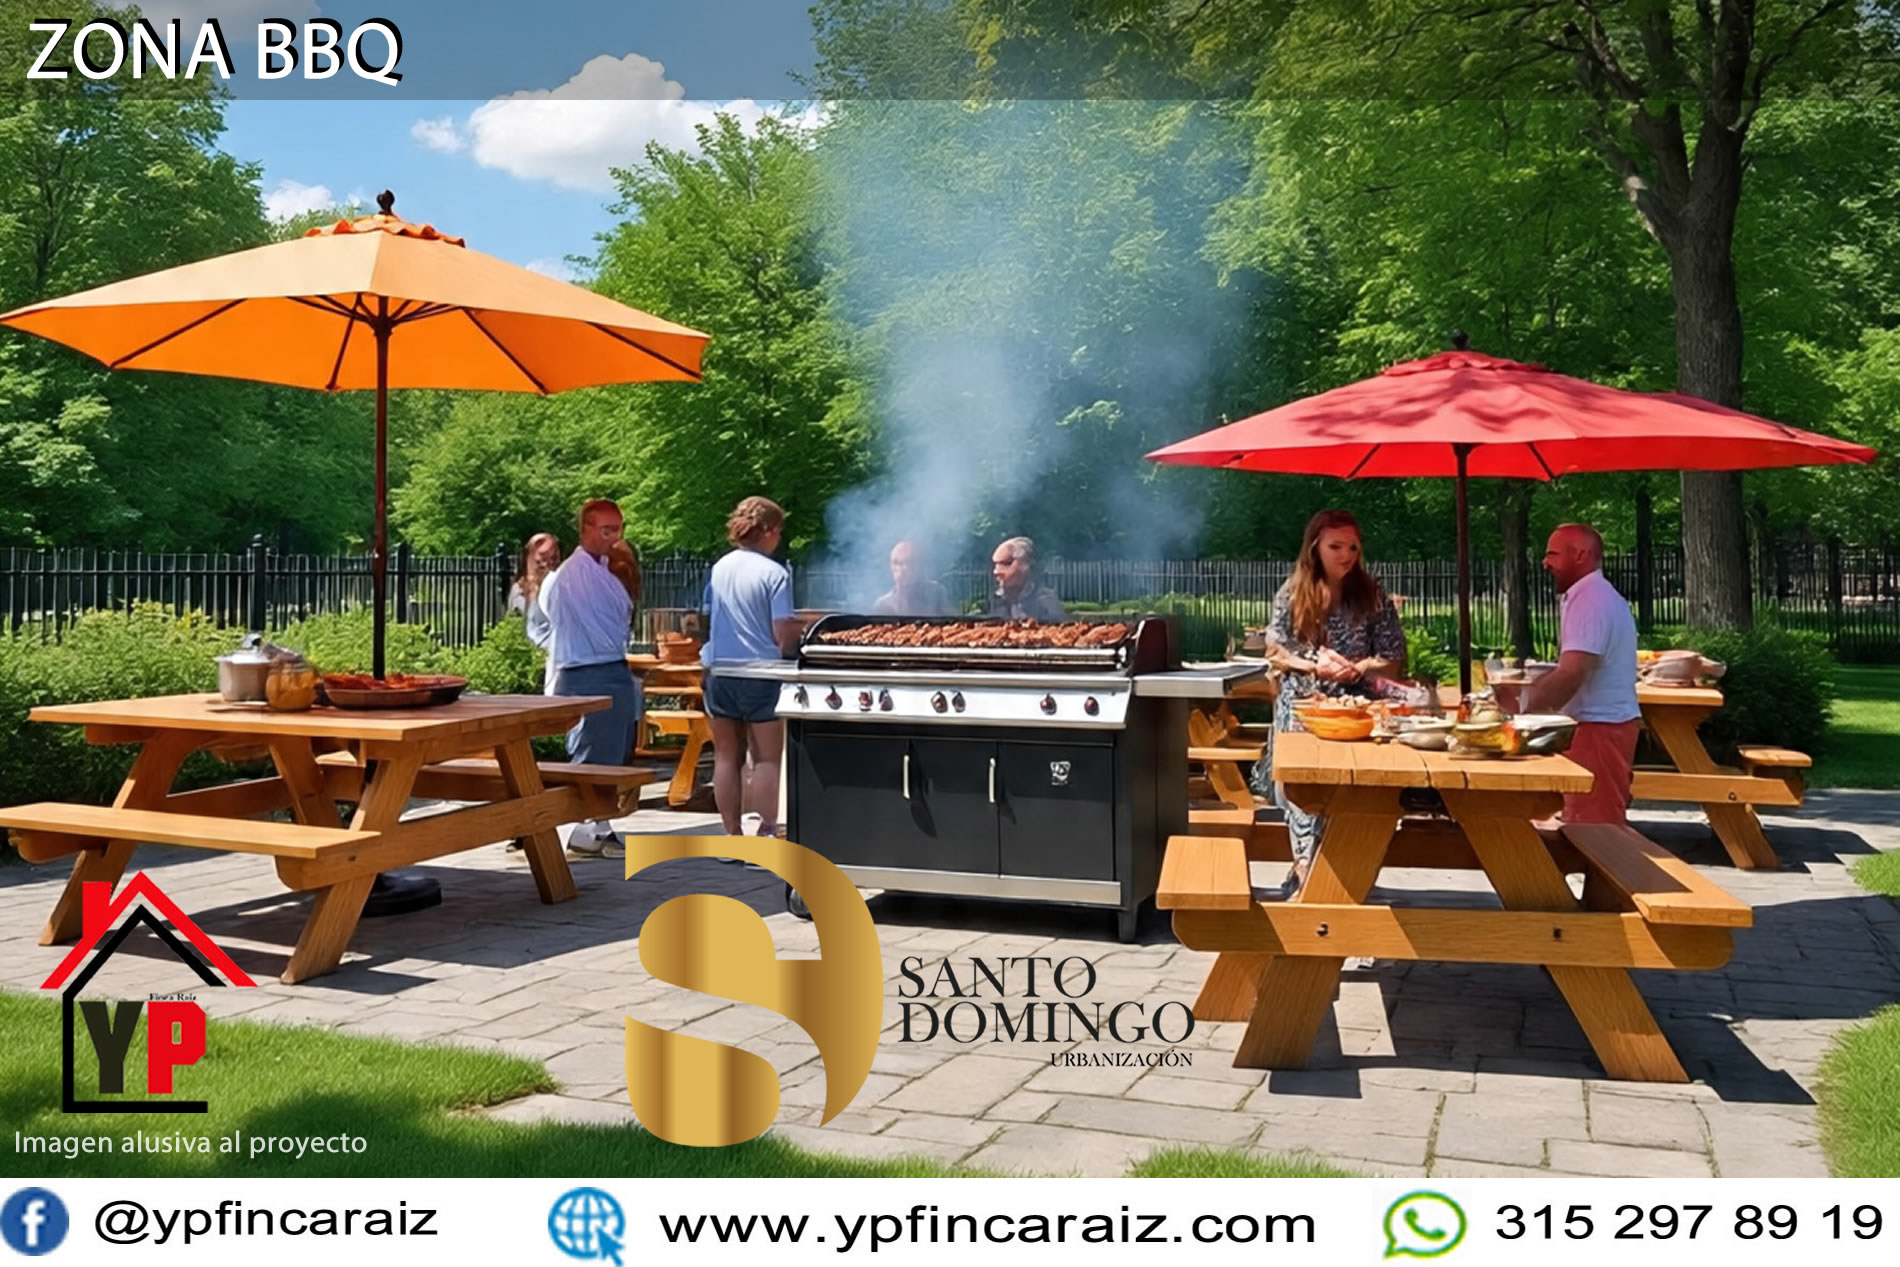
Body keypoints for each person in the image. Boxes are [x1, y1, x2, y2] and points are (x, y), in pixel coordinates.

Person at [1259, 509, 1406, 897]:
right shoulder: (1293, 594)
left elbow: (1393, 657)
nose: (1346, 555)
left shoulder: (1373, 595)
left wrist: (1359, 667)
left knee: (1351, 793)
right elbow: (1275, 650)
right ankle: (1307, 874)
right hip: (1303, 709)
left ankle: (1340, 877)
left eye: (1353, 547)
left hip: (1356, 713)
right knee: (1302, 792)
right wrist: (1313, 664)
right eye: (1336, 546)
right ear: (1315, 548)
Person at [1516, 523, 1642, 827]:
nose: (1545, 562)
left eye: (1553, 554)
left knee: (1595, 831)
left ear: (1581, 555)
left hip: (1599, 727)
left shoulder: (1591, 600)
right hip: (1598, 725)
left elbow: (1572, 673)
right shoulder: (1589, 595)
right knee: (1581, 825)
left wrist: (1521, 708)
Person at [537, 499, 643, 858]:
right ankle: (581, 827)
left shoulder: (601, 569)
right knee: (593, 754)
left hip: (608, 667)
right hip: (587, 671)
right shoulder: (574, 574)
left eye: (618, 529)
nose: (614, 537)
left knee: (611, 753)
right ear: (585, 529)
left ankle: (598, 824)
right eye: (605, 530)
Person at [703, 496, 802, 841]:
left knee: (726, 758)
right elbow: (782, 631)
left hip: (721, 673)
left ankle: (731, 835)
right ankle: (767, 831)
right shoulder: (775, 573)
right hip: (762, 674)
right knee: (767, 760)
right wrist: (800, 635)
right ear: (770, 530)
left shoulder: (720, 568)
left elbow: (709, 617)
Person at [986, 536, 1066, 621]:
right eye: (996, 566)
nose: (996, 572)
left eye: (1006, 564)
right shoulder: (997, 602)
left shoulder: (1045, 602)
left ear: (1026, 566)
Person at [872, 540, 956, 616]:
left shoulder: (936, 593)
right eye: (896, 563)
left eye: (910, 563)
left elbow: (951, 621)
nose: (900, 570)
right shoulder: (883, 605)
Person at [510, 532, 561, 656]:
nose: (548, 563)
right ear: (529, 557)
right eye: (542, 557)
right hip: (528, 655)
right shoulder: (519, 590)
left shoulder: (563, 588)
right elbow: (514, 628)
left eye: (553, 558)